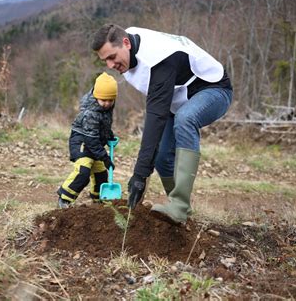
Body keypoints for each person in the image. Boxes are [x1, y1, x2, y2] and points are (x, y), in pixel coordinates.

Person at [91, 24, 233, 224]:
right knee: (162, 156)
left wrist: (139, 175)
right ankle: (180, 216)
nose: (110, 65)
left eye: (112, 57)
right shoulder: (130, 42)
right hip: (177, 99)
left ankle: (179, 206)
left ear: (125, 43)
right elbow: (157, 112)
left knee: (185, 119)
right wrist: (143, 172)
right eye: (105, 60)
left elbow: (156, 117)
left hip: (214, 90)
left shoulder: (158, 59)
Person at [57, 72, 118, 208]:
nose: (107, 104)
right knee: (83, 171)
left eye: (110, 100)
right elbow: (91, 138)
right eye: (104, 100)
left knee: (101, 174)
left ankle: (99, 199)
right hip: (82, 142)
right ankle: (65, 198)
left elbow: (103, 126)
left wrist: (109, 136)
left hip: (95, 143)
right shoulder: (90, 113)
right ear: (96, 96)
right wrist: (105, 157)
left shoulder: (105, 108)